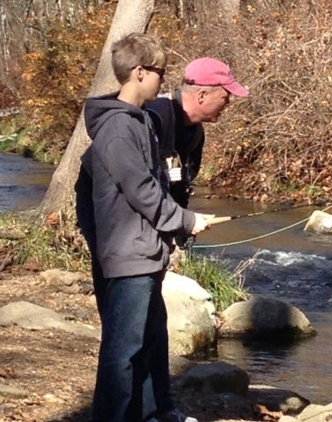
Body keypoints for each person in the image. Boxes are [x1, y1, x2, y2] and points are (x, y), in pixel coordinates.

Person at [75, 32, 213, 422]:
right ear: (138, 72)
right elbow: (142, 191)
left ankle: (150, 413)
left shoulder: (141, 123)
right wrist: (186, 221)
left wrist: (175, 231)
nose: (164, 81)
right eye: (160, 72)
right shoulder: (118, 129)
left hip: (144, 252)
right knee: (123, 352)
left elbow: (154, 188)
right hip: (127, 256)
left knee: (147, 342)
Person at [146, 57, 249, 210]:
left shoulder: (196, 133)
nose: (228, 103)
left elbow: (184, 180)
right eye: (225, 97)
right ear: (202, 95)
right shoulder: (153, 116)